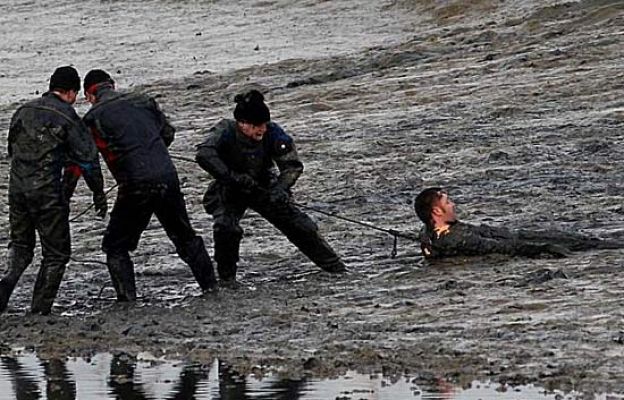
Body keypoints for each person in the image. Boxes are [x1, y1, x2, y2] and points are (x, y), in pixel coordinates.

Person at [80, 69, 217, 301]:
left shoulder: (93, 117)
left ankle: (127, 301)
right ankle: (211, 289)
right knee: (185, 236)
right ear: (112, 84)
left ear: (89, 96)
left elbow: (88, 161)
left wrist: (98, 192)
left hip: (134, 184)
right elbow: (168, 133)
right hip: (167, 176)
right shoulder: (143, 100)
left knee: (115, 245)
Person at [195, 89, 346, 286]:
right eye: (256, 126)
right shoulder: (224, 130)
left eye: (264, 125)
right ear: (242, 124)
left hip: (264, 186)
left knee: (301, 225)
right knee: (226, 228)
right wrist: (231, 177)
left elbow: (292, 166)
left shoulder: (273, 132)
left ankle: (335, 268)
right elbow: (204, 154)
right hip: (230, 187)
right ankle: (227, 279)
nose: (262, 130)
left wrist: (281, 188)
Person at [0, 66, 106, 315]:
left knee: (21, 247)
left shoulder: (22, 112)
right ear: (71, 92)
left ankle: (4, 286)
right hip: (47, 193)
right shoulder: (67, 117)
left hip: (17, 191)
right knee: (56, 254)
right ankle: (39, 310)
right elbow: (88, 160)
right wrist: (98, 193)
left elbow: (12, 151)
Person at [414, 187, 621, 259]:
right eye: (447, 202)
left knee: (588, 240)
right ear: (437, 211)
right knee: (587, 243)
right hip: (519, 241)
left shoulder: (429, 234)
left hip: (517, 235)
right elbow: (501, 247)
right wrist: (541, 248)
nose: (453, 205)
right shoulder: (453, 239)